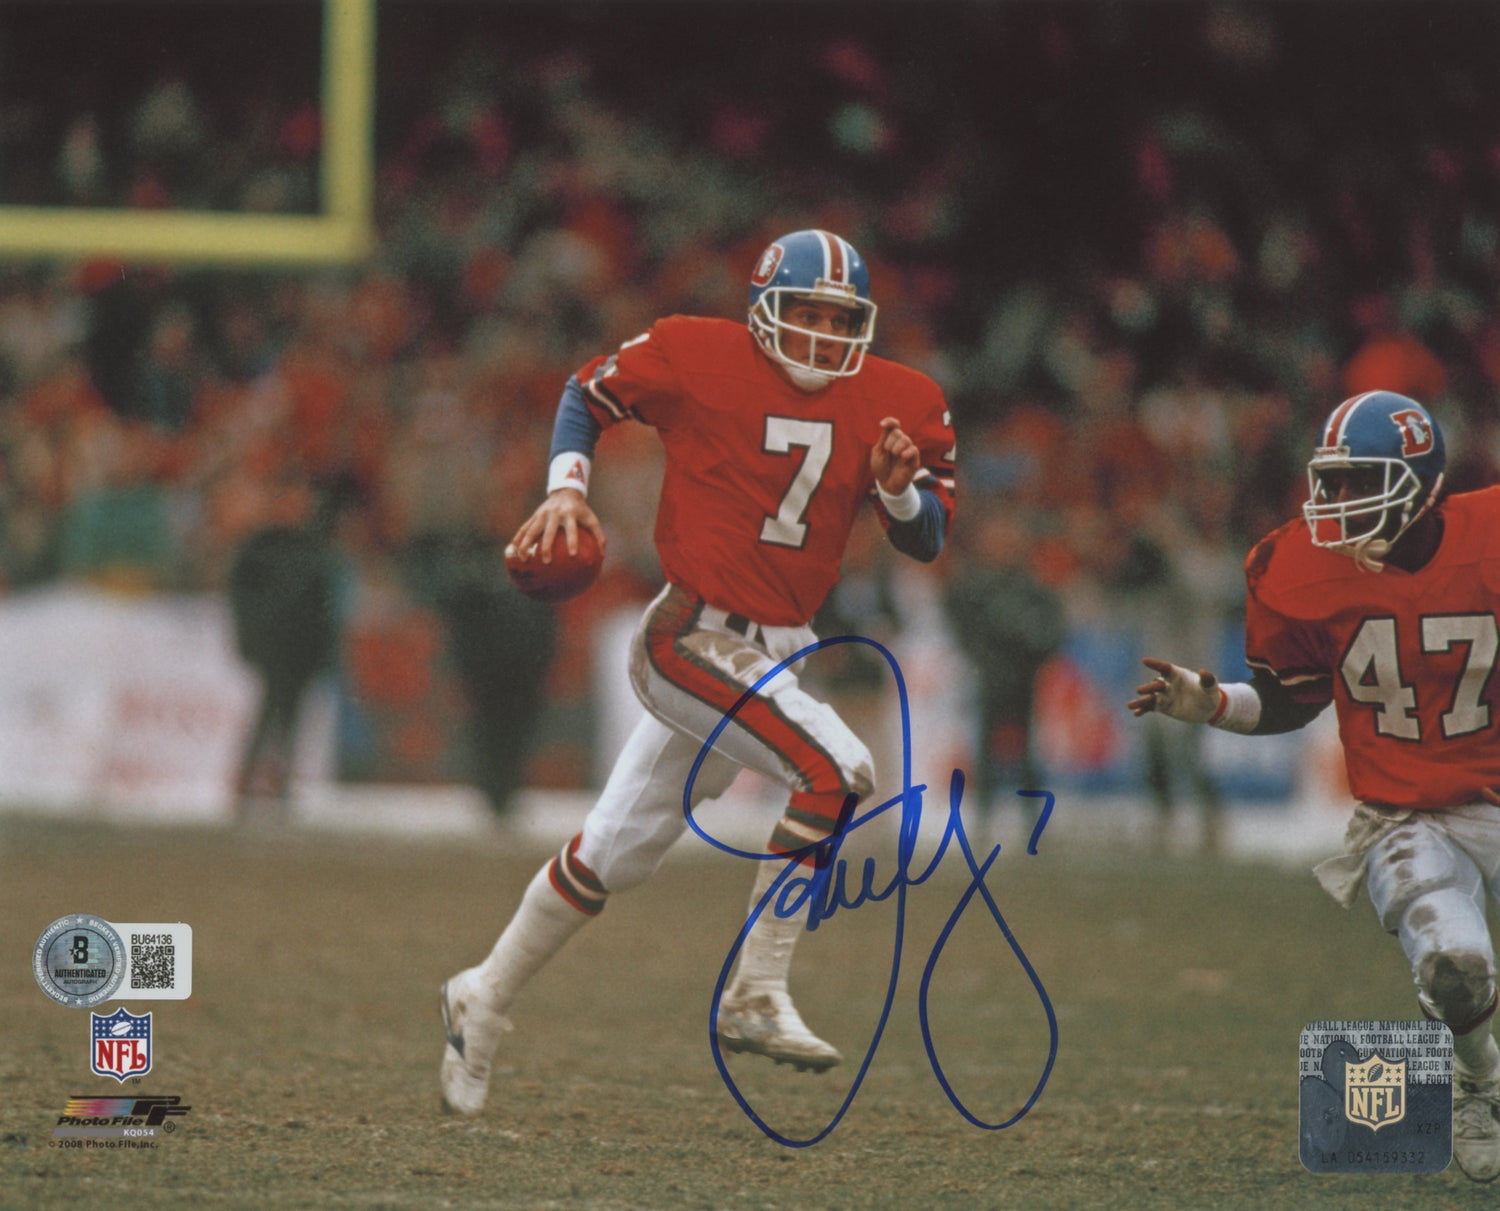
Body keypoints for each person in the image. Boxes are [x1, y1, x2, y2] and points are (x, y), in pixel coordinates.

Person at [438, 228, 957, 1116]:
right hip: (689, 633)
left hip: (779, 647)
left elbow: (928, 538)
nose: (825, 334)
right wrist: (567, 487)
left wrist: (899, 490)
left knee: (612, 854)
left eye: (842, 320)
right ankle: (756, 989)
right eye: (807, 313)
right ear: (764, 311)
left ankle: (479, 994)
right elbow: (587, 393)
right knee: (835, 769)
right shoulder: (697, 353)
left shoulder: (900, 399)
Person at [1128, 390, 1500, 1183]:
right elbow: (1295, 695)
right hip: (1407, 815)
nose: (1336, 501)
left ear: (1420, 481)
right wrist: (1214, 703)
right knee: (1453, 965)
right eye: (1331, 481)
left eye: (1360, 481)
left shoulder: (1490, 536)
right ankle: (1482, 1080)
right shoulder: (1298, 565)